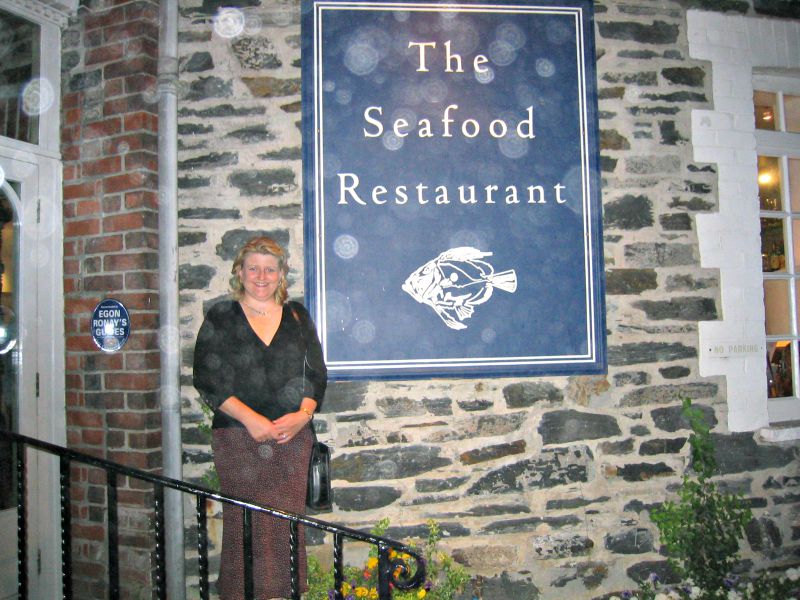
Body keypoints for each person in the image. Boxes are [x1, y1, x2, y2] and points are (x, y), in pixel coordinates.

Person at [193, 235, 327, 600]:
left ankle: (285, 595)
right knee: (244, 527)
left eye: (270, 268)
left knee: (286, 527)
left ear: (282, 273)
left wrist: (302, 415)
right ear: (239, 271)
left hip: (291, 438)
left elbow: (316, 374)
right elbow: (206, 377)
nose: (262, 276)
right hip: (238, 438)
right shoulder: (222, 315)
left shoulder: (298, 315)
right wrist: (252, 420)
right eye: (253, 268)